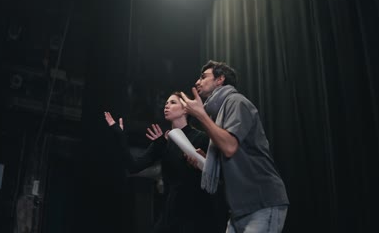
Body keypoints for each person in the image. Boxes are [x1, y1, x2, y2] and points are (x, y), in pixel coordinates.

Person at [180, 60, 289, 233]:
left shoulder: (236, 102)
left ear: (220, 79)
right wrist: (205, 162)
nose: (197, 82)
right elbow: (233, 161)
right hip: (239, 210)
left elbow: (229, 147)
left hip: (262, 203)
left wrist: (201, 115)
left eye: (203, 77)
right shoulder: (218, 115)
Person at [104, 92, 225, 233]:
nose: (166, 106)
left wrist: (201, 162)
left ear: (185, 109)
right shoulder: (162, 142)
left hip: (195, 216)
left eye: (173, 102)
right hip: (169, 217)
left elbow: (219, 175)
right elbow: (133, 166)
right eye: (166, 103)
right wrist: (119, 135)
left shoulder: (201, 138)